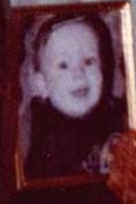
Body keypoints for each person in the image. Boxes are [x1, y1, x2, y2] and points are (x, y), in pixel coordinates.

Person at [23, 12, 126, 179]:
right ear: (40, 85)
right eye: (63, 65)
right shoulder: (44, 141)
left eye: (89, 61)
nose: (79, 73)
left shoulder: (118, 116)